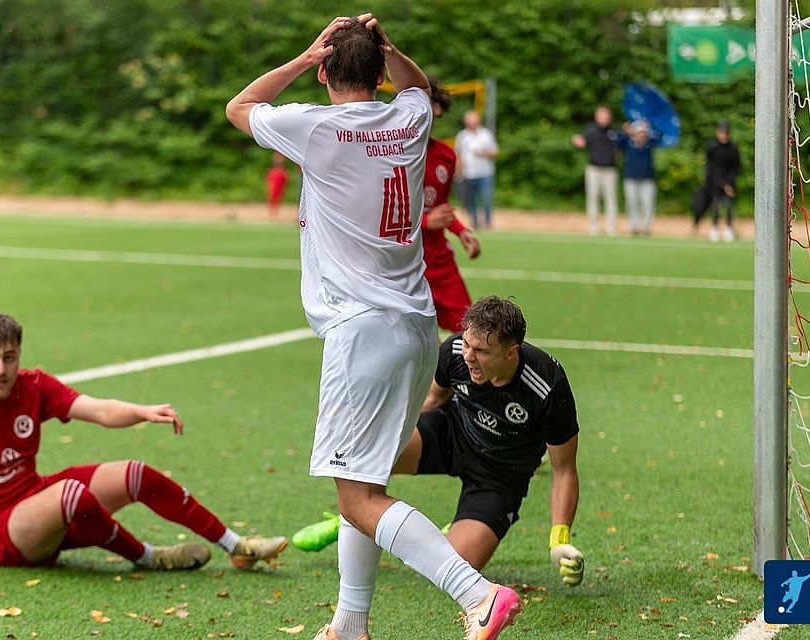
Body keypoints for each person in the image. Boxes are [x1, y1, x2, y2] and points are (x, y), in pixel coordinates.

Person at [226, 14, 520, 640]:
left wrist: (305, 57)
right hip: (416, 327)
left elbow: (241, 105)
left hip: (362, 332)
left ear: (328, 70)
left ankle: (478, 595)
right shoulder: (408, 117)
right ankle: (350, 622)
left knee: (357, 499)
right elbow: (420, 87)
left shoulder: (314, 125)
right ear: (382, 74)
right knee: (367, 480)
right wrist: (390, 53)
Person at [0, 312, 288, 573]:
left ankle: (235, 546)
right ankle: (148, 557)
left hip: (34, 500)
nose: (0, 369)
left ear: (19, 356)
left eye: (9, 358)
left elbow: (100, 410)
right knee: (70, 492)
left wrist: (142, 411)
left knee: (134, 474)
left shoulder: (33, 385)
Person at [294, 297, 585, 584]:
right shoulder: (456, 351)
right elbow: (431, 400)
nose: (468, 356)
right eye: (468, 344)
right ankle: (354, 516)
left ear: (511, 352)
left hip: (500, 475)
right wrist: (378, 436)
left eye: (481, 351)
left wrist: (559, 539)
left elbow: (564, 470)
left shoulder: (547, 386)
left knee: (451, 566)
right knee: (366, 457)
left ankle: (385, 523)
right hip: (452, 433)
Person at [422, 77, 480, 332]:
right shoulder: (389, 153)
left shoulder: (446, 155)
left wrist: (461, 231)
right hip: (402, 265)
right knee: (417, 342)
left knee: (470, 331)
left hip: (439, 262)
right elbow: (375, 210)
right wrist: (425, 223)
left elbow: (441, 208)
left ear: (436, 108)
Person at [572, 105, 619, 236]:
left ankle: (611, 228)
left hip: (610, 169)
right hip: (594, 169)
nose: (604, 118)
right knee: (593, 198)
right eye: (602, 116)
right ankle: (594, 227)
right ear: (597, 117)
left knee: (611, 199)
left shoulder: (614, 131)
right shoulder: (590, 130)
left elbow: (622, 146)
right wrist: (577, 140)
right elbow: (580, 140)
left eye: (606, 116)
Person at [617, 119, 661, 237]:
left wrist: (649, 125)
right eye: (639, 132)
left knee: (648, 204)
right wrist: (625, 132)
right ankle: (634, 227)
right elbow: (617, 141)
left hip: (648, 178)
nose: (642, 134)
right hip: (631, 177)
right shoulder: (628, 142)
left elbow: (659, 136)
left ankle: (647, 227)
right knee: (632, 204)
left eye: (643, 132)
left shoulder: (650, 143)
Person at [454, 110, 498, 229]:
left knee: (486, 197)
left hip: (485, 172)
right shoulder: (462, 136)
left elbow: (495, 152)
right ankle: (474, 221)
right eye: (468, 119)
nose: (470, 122)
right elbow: (459, 156)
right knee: (470, 199)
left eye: (472, 119)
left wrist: (483, 153)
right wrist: (459, 172)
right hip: (469, 173)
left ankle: (488, 223)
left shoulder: (486, 134)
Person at [703, 120, 741, 242]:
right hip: (715, 182)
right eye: (721, 132)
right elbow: (710, 166)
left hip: (729, 182)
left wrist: (729, 183)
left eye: (725, 133)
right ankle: (714, 228)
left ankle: (729, 229)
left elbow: (736, 167)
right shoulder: (712, 146)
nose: (723, 135)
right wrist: (718, 181)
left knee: (728, 205)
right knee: (715, 205)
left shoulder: (733, 148)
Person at [266, 151, 290, 218]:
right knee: (273, 194)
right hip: (277, 173)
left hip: (278, 173)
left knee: (277, 194)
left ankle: (274, 210)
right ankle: (272, 211)